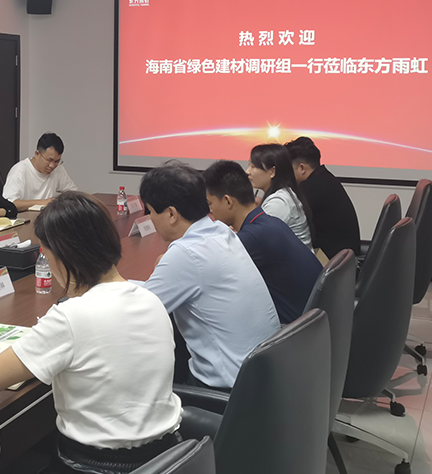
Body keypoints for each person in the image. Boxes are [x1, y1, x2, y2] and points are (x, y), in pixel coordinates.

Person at [0, 192, 182, 472]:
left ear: (62, 256)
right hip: (166, 458)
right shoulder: (151, 299)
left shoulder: (71, 317)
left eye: (45, 253)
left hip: (94, 465)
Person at [137, 164, 279, 390]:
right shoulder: (221, 232)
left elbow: (136, 310)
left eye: (151, 212)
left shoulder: (186, 253)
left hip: (229, 391)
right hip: (263, 376)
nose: (151, 219)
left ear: (171, 214)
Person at [203, 160, 322, 325]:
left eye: (210, 203)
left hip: (294, 329)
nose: (210, 211)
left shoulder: (253, 237)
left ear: (228, 201)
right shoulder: (270, 222)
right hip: (316, 320)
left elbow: (207, 273)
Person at [284, 136, 362, 257]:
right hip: (344, 259)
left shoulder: (311, 187)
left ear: (302, 168)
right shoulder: (325, 179)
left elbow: (284, 217)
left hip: (331, 262)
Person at [246, 143, 314, 250]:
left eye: (253, 166)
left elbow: (255, 240)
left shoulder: (279, 202)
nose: (247, 171)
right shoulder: (284, 193)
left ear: (272, 172)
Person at [2, 132, 79, 211]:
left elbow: (74, 194)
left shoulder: (58, 169)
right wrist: (43, 202)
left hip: (48, 216)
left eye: (57, 161)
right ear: (37, 154)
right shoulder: (20, 171)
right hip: (25, 216)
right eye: (49, 160)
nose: (52, 165)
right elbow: (10, 203)